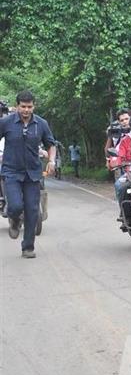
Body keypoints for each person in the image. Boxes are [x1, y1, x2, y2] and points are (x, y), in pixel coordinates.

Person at [0, 89, 57, 258]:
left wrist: (52, 161)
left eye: (29, 107)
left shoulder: (41, 124)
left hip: (33, 174)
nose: (26, 110)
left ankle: (28, 247)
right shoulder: (6, 123)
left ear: (34, 106)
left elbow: (50, 144)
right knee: (15, 205)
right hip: (11, 171)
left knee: (32, 210)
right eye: (23, 106)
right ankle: (15, 220)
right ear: (17, 106)